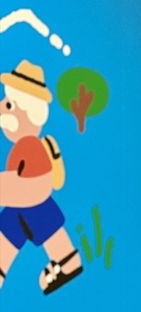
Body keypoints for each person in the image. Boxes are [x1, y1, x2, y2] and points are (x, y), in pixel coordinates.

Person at [0, 59, 84, 294]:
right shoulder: (24, 146)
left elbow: (37, 186)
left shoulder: (30, 147)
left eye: (8, 105)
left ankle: (68, 261)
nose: (1, 107)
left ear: (27, 111)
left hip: (33, 207)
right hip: (23, 209)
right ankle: (67, 260)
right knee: (11, 227)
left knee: (35, 224)